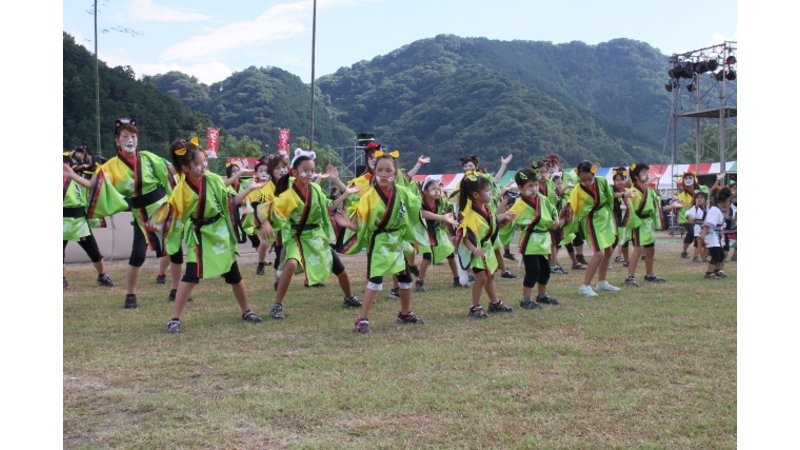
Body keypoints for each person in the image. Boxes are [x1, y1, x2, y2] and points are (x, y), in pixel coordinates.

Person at [145, 139, 264, 333]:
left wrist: (249, 190)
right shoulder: (181, 188)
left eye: (204, 161)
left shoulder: (214, 179)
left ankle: (247, 310)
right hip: (199, 234)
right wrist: (158, 223)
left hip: (218, 231)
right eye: (198, 163)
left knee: (233, 274)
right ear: (185, 167)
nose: (204, 166)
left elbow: (229, 201)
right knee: (191, 275)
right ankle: (175, 319)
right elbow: (172, 209)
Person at [65, 118, 181, 309]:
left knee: (175, 251)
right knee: (137, 255)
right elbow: (96, 185)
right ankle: (130, 295)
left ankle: (176, 290)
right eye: (125, 136)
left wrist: (184, 162)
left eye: (133, 136)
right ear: (117, 141)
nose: (130, 139)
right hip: (141, 214)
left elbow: (169, 176)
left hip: (163, 209)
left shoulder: (149, 158)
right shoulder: (111, 166)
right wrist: (73, 175)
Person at [337, 154, 456, 333]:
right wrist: (348, 224)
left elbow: (418, 212)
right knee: (375, 281)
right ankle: (362, 320)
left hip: (398, 241)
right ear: (374, 172)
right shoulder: (368, 197)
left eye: (388, 170)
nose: (384, 174)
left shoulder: (403, 192)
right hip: (380, 243)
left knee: (405, 278)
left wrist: (441, 217)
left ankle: (405, 313)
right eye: (379, 170)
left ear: (396, 173)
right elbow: (359, 223)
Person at [261, 149, 362, 321]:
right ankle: (277, 305)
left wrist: (346, 194)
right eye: (305, 170)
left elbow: (330, 205)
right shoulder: (289, 194)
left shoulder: (315, 189)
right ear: (294, 172)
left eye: (312, 170)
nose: (309, 174)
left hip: (316, 236)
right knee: (291, 264)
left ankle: (349, 298)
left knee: (341, 271)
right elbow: (270, 211)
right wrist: (267, 222)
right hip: (297, 237)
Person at [62, 151, 128, 290]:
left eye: (66, 161)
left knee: (95, 253)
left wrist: (96, 165)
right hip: (62, 221)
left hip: (79, 222)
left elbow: (95, 180)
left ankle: (102, 275)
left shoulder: (79, 176)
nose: (65, 164)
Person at [455, 171, 516, 318]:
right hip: (478, 250)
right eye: (487, 191)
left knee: (490, 276)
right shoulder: (470, 214)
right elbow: (465, 236)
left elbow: (491, 220)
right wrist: (474, 250)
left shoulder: (486, 208)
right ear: (476, 194)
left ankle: (494, 303)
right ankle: (474, 307)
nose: (490, 193)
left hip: (486, 249)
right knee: (481, 278)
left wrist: (504, 216)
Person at [561, 161, 620, 297]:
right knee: (599, 253)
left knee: (609, 250)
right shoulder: (577, 190)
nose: (587, 182)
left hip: (604, 217)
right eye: (583, 180)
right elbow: (571, 206)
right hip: (590, 220)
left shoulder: (602, 181)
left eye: (590, 179)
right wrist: (564, 220)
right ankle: (585, 286)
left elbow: (609, 197)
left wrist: (612, 214)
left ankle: (601, 282)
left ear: (594, 174)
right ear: (578, 177)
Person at [457, 154, 519, 281]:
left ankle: (503, 271)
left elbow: (495, 180)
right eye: (465, 166)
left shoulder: (482, 179)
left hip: (487, 215)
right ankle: (472, 273)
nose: (468, 167)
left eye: (470, 165)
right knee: (474, 244)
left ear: (476, 166)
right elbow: (460, 202)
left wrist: (503, 165)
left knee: (496, 247)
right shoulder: (463, 183)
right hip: (474, 218)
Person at [506, 168, 562, 309]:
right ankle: (526, 299)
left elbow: (552, 209)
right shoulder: (519, 205)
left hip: (544, 239)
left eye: (535, 185)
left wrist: (555, 220)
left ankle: (542, 295)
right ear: (520, 188)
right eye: (530, 186)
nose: (534, 188)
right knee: (533, 270)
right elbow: (508, 219)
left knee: (545, 269)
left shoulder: (542, 199)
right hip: (530, 240)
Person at [623, 163, 680, 287]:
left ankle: (649, 274)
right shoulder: (632, 191)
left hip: (647, 224)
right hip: (638, 223)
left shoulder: (649, 190)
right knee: (638, 250)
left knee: (650, 250)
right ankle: (630, 277)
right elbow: (628, 207)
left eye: (647, 172)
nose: (647, 175)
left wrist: (672, 206)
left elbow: (658, 206)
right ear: (636, 175)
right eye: (644, 172)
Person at [416, 177, 464, 291]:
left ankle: (457, 279)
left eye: (438, 188)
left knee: (450, 254)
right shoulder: (420, 203)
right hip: (425, 232)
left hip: (438, 232)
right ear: (425, 191)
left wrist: (447, 219)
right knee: (426, 257)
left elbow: (450, 209)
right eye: (433, 189)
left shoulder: (441, 201)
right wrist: (442, 217)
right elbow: (423, 214)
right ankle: (419, 281)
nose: (437, 191)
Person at [698, 186, 734, 280]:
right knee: (716, 255)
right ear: (725, 200)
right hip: (711, 235)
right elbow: (708, 223)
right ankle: (709, 273)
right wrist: (703, 234)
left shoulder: (718, 210)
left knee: (721, 255)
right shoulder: (715, 210)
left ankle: (717, 270)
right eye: (729, 201)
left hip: (716, 235)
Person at [676, 172, 710, 259]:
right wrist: (689, 216)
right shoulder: (682, 195)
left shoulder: (703, 188)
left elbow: (709, 196)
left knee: (706, 234)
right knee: (691, 233)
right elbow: (683, 209)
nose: (688, 180)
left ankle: (706, 253)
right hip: (686, 217)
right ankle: (684, 252)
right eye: (686, 178)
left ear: (694, 179)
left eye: (690, 178)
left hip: (702, 216)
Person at [684, 191, 709, 263]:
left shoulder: (709, 208)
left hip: (707, 228)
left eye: (701, 198)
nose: (699, 199)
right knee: (698, 244)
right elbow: (688, 212)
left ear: (705, 199)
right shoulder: (695, 208)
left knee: (707, 244)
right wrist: (690, 216)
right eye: (698, 198)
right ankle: (695, 257)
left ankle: (704, 257)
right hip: (698, 228)